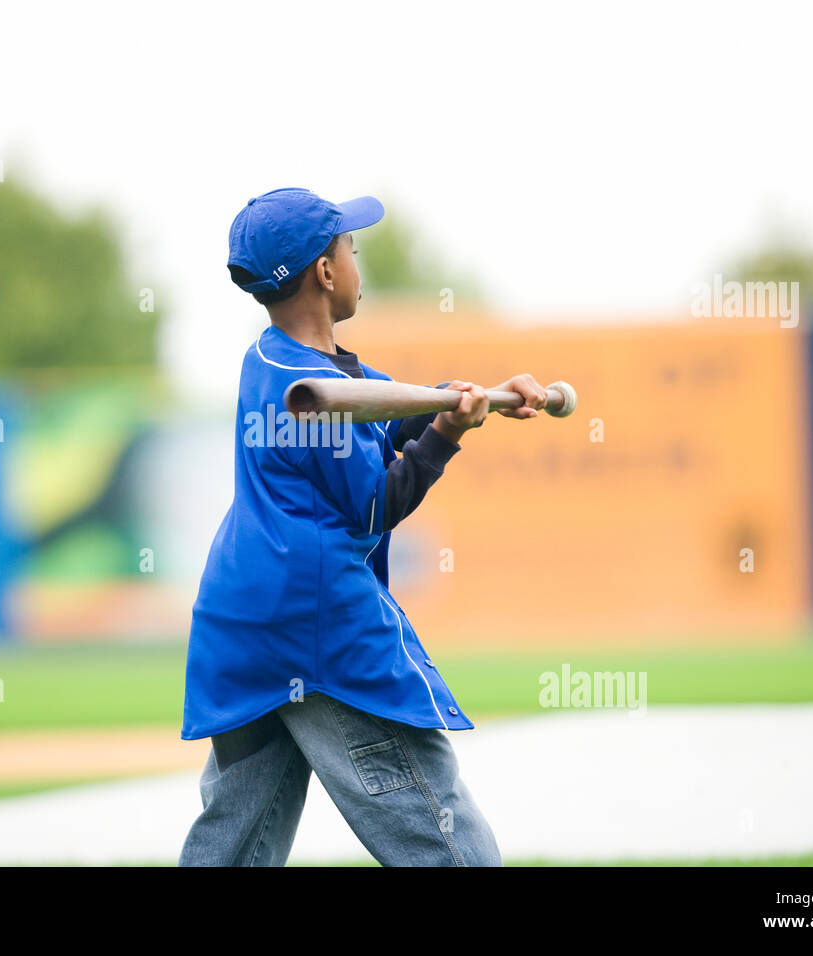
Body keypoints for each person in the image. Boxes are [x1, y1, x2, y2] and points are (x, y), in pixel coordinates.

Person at [178, 187, 547, 866]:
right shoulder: (311, 391)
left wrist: (481, 396)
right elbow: (377, 506)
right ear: (324, 271)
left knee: (236, 840)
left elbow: (387, 410)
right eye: (349, 246)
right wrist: (444, 434)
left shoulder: (272, 361)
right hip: (318, 630)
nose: (355, 257)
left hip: (247, 626)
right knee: (443, 840)